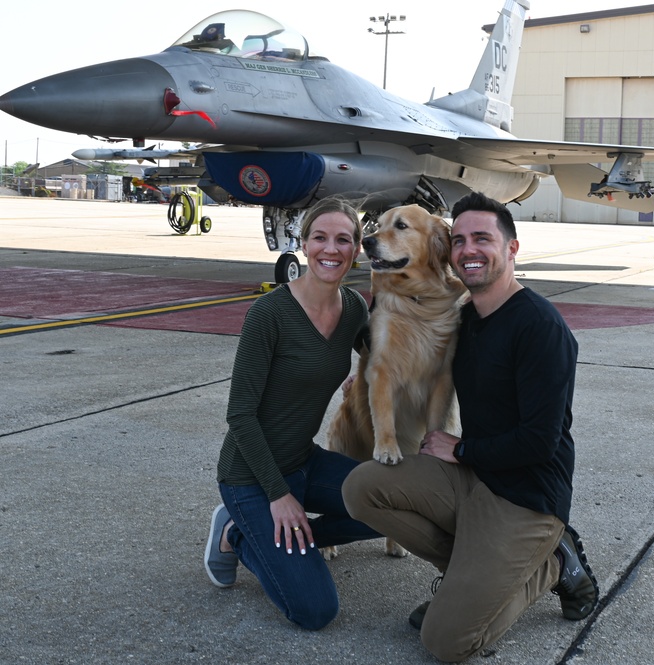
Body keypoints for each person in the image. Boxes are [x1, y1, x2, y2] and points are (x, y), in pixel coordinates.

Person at [342, 191, 598, 662]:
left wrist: (461, 452)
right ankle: (471, 579)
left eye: (483, 238)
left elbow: (540, 442)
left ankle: (555, 563)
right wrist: (363, 367)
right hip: (474, 479)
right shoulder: (467, 317)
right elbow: (407, 351)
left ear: (512, 249)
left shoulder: (541, 328)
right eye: (459, 240)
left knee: (445, 641)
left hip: (525, 496)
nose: (469, 250)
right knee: (362, 487)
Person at [203, 195, 380, 630]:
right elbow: (239, 415)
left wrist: (368, 376)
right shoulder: (269, 313)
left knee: (393, 502)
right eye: (320, 237)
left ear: (356, 249)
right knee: (315, 611)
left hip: (304, 460)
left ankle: (278, 538)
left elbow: (383, 356)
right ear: (303, 243)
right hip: (251, 476)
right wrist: (279, 496)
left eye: (343, 239)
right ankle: (237, 534)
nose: (331, 249)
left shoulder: (354, 308)